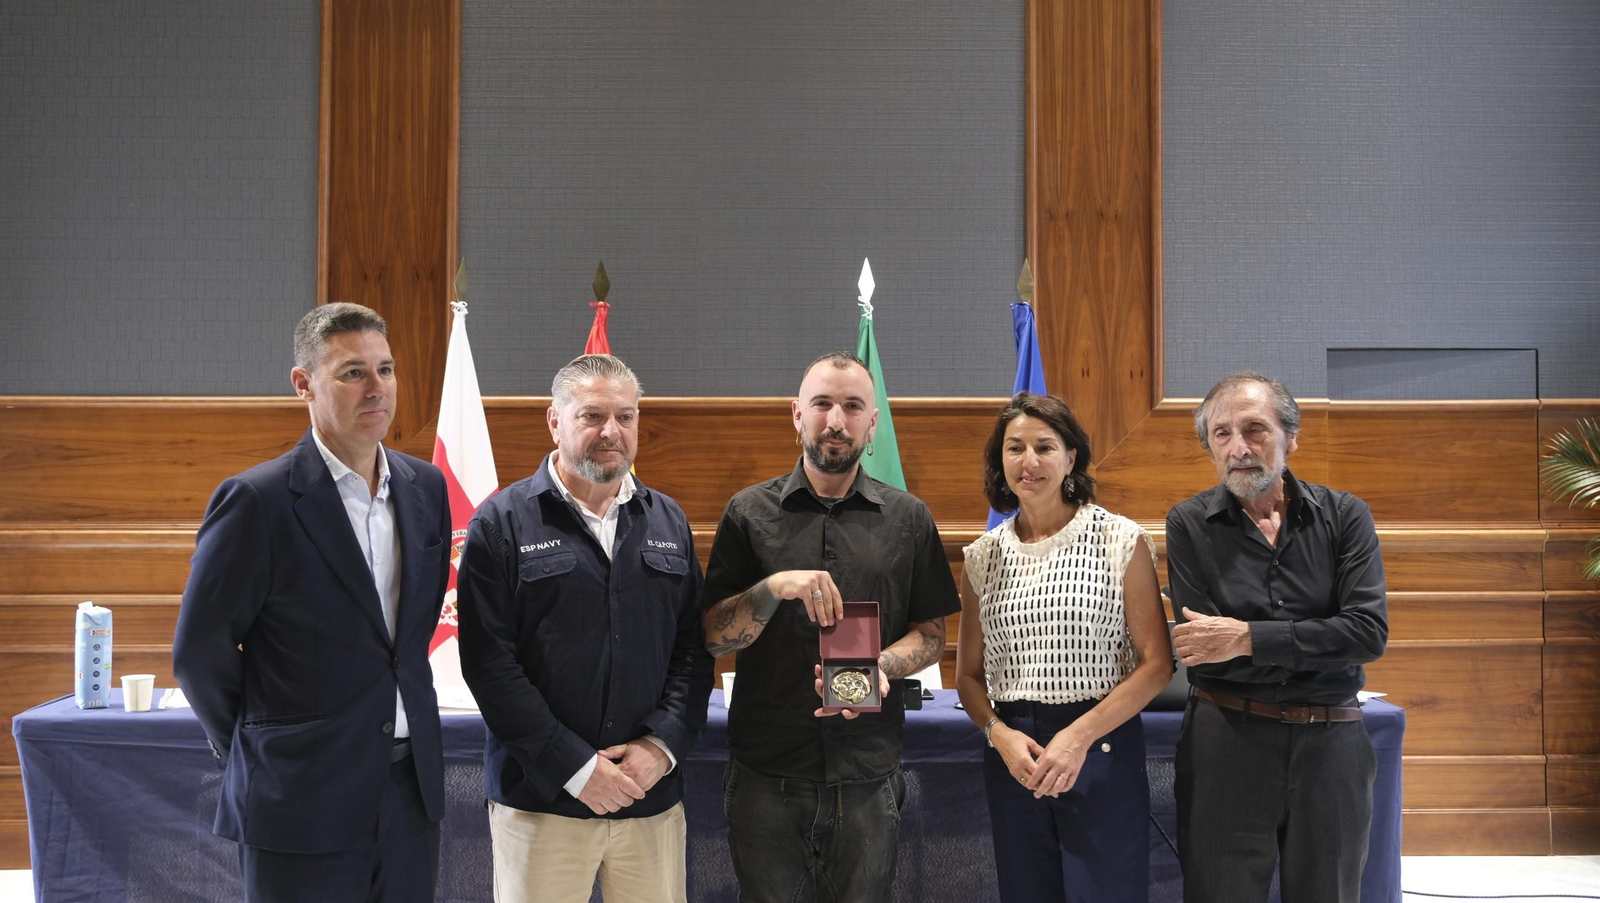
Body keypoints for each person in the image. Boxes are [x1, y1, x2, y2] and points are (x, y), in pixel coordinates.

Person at [172, 302, 452, 902]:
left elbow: (409, 637)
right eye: (353, 372)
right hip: (297, 798)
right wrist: (260, 747)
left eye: (386, 369)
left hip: (409, 796)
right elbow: (200, 654)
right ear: (304, 384)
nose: (377, 388)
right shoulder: (257, 501)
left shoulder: (425, 487)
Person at [701, 350, 962, 902]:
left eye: (851, 407)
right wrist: (773, 589)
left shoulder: (909, 518)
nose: (836, 421)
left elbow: (933, 634)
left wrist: (883, 666)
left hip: (867, 773)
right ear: (797, 413)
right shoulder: (747, 513)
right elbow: (713, 635)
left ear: (873, 425)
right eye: (822, 404)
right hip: (766, 774)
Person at [455, 353, 711, 903]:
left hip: (650, 797)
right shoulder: (500, 523)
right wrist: (573, 767)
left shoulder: (668, 520)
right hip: (542, 802)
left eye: (625, 416)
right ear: (555, 420)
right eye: (592, 416)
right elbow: (488, 665)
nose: (611, 432)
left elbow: (693, 650)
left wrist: (660, 747)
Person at [1166, 371, 1388, 903]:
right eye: (1221, 434)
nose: (1239, 448)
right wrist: (1314, 639)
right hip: (1228, 738)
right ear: (1209, 448)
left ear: (1291, 437)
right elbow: (1206, 655)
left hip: (1332, 742)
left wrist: (1247, 638)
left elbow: (1366, 633)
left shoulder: (1345, 516)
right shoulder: (1189, 524)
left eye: (1255, 429)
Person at [955, 392, 1173, 903]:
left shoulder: (1120, 539)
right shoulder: (981, 557)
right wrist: (997, 734)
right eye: (1015, 448)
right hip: (1015, 755)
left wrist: (1078, 737)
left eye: (1044, 447)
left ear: (1070, 458)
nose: (1028, 462)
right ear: (999, 460)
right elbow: (966, 677)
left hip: (1100, 743)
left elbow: (1157, 665)